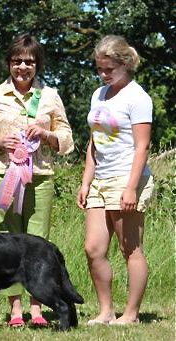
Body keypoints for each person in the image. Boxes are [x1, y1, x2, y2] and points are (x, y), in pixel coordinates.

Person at [0, 33, 74, 327]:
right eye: (17, 61)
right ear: (8, 63)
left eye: (29, 61)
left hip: (40, 178)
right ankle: (15, 309)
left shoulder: (50, 96)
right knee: (6, 243)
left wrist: (47, 135)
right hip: (3, 176)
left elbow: (67, 139)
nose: (23, 67)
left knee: (37, 243)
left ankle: (37, 308)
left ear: (37, 64)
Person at [77, 35, 154, 325]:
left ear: (125, 64)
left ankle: (131, 314)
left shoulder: (138, 98)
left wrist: (132, 188)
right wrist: (86, 181)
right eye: (100, 68)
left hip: (127, 178)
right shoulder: (98, 94)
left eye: (109, 69)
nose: (103, 74)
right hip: (100, 179)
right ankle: (106, 310)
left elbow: (142, 146)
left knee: (129, 248)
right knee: (93, 248)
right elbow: (94, 142)